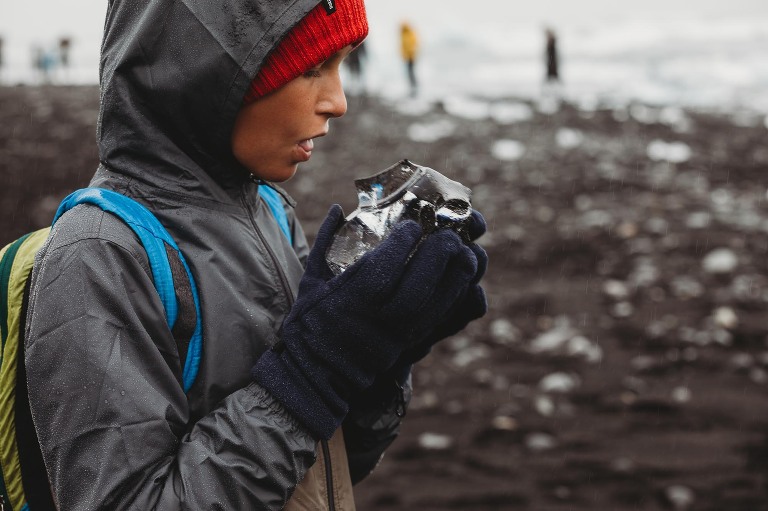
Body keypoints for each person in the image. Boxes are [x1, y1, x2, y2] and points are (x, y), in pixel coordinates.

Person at [24, 0, 488, 509]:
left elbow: (327, 465)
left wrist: (381, 353)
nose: (339, 101)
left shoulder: (270, 210)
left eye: (343, 63)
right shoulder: (101, 254)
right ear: (203, 73)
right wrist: (309, 373)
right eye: (313, 67)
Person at [399, 21, 419, 97]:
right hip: (407, 57)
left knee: (411, 72)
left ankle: (414, 86)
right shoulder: (403, 35)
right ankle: (412, 86)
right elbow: (402, 47)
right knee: (409, 72)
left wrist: (411, 53)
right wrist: (404, 55)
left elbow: (413, 44)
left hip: (411, 57)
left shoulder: (409, 34)